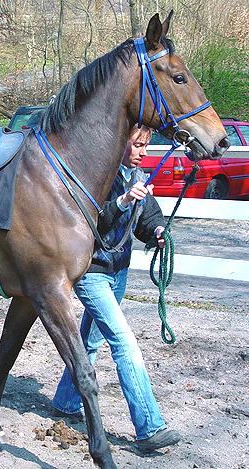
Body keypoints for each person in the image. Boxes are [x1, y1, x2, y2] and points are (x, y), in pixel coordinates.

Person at [52, 124, 181, 452]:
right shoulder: (97, 175)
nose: (143, 153)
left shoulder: (137, 176)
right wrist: (122, 201)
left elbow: (148, 219)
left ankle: (66, 401)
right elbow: (91, 223)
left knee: (90, 341)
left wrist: (158, 233)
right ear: (119, 142)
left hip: (118, 273)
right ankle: (149, 427)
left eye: (145, 146)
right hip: (92, 273)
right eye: (137, 145)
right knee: (124, 343)